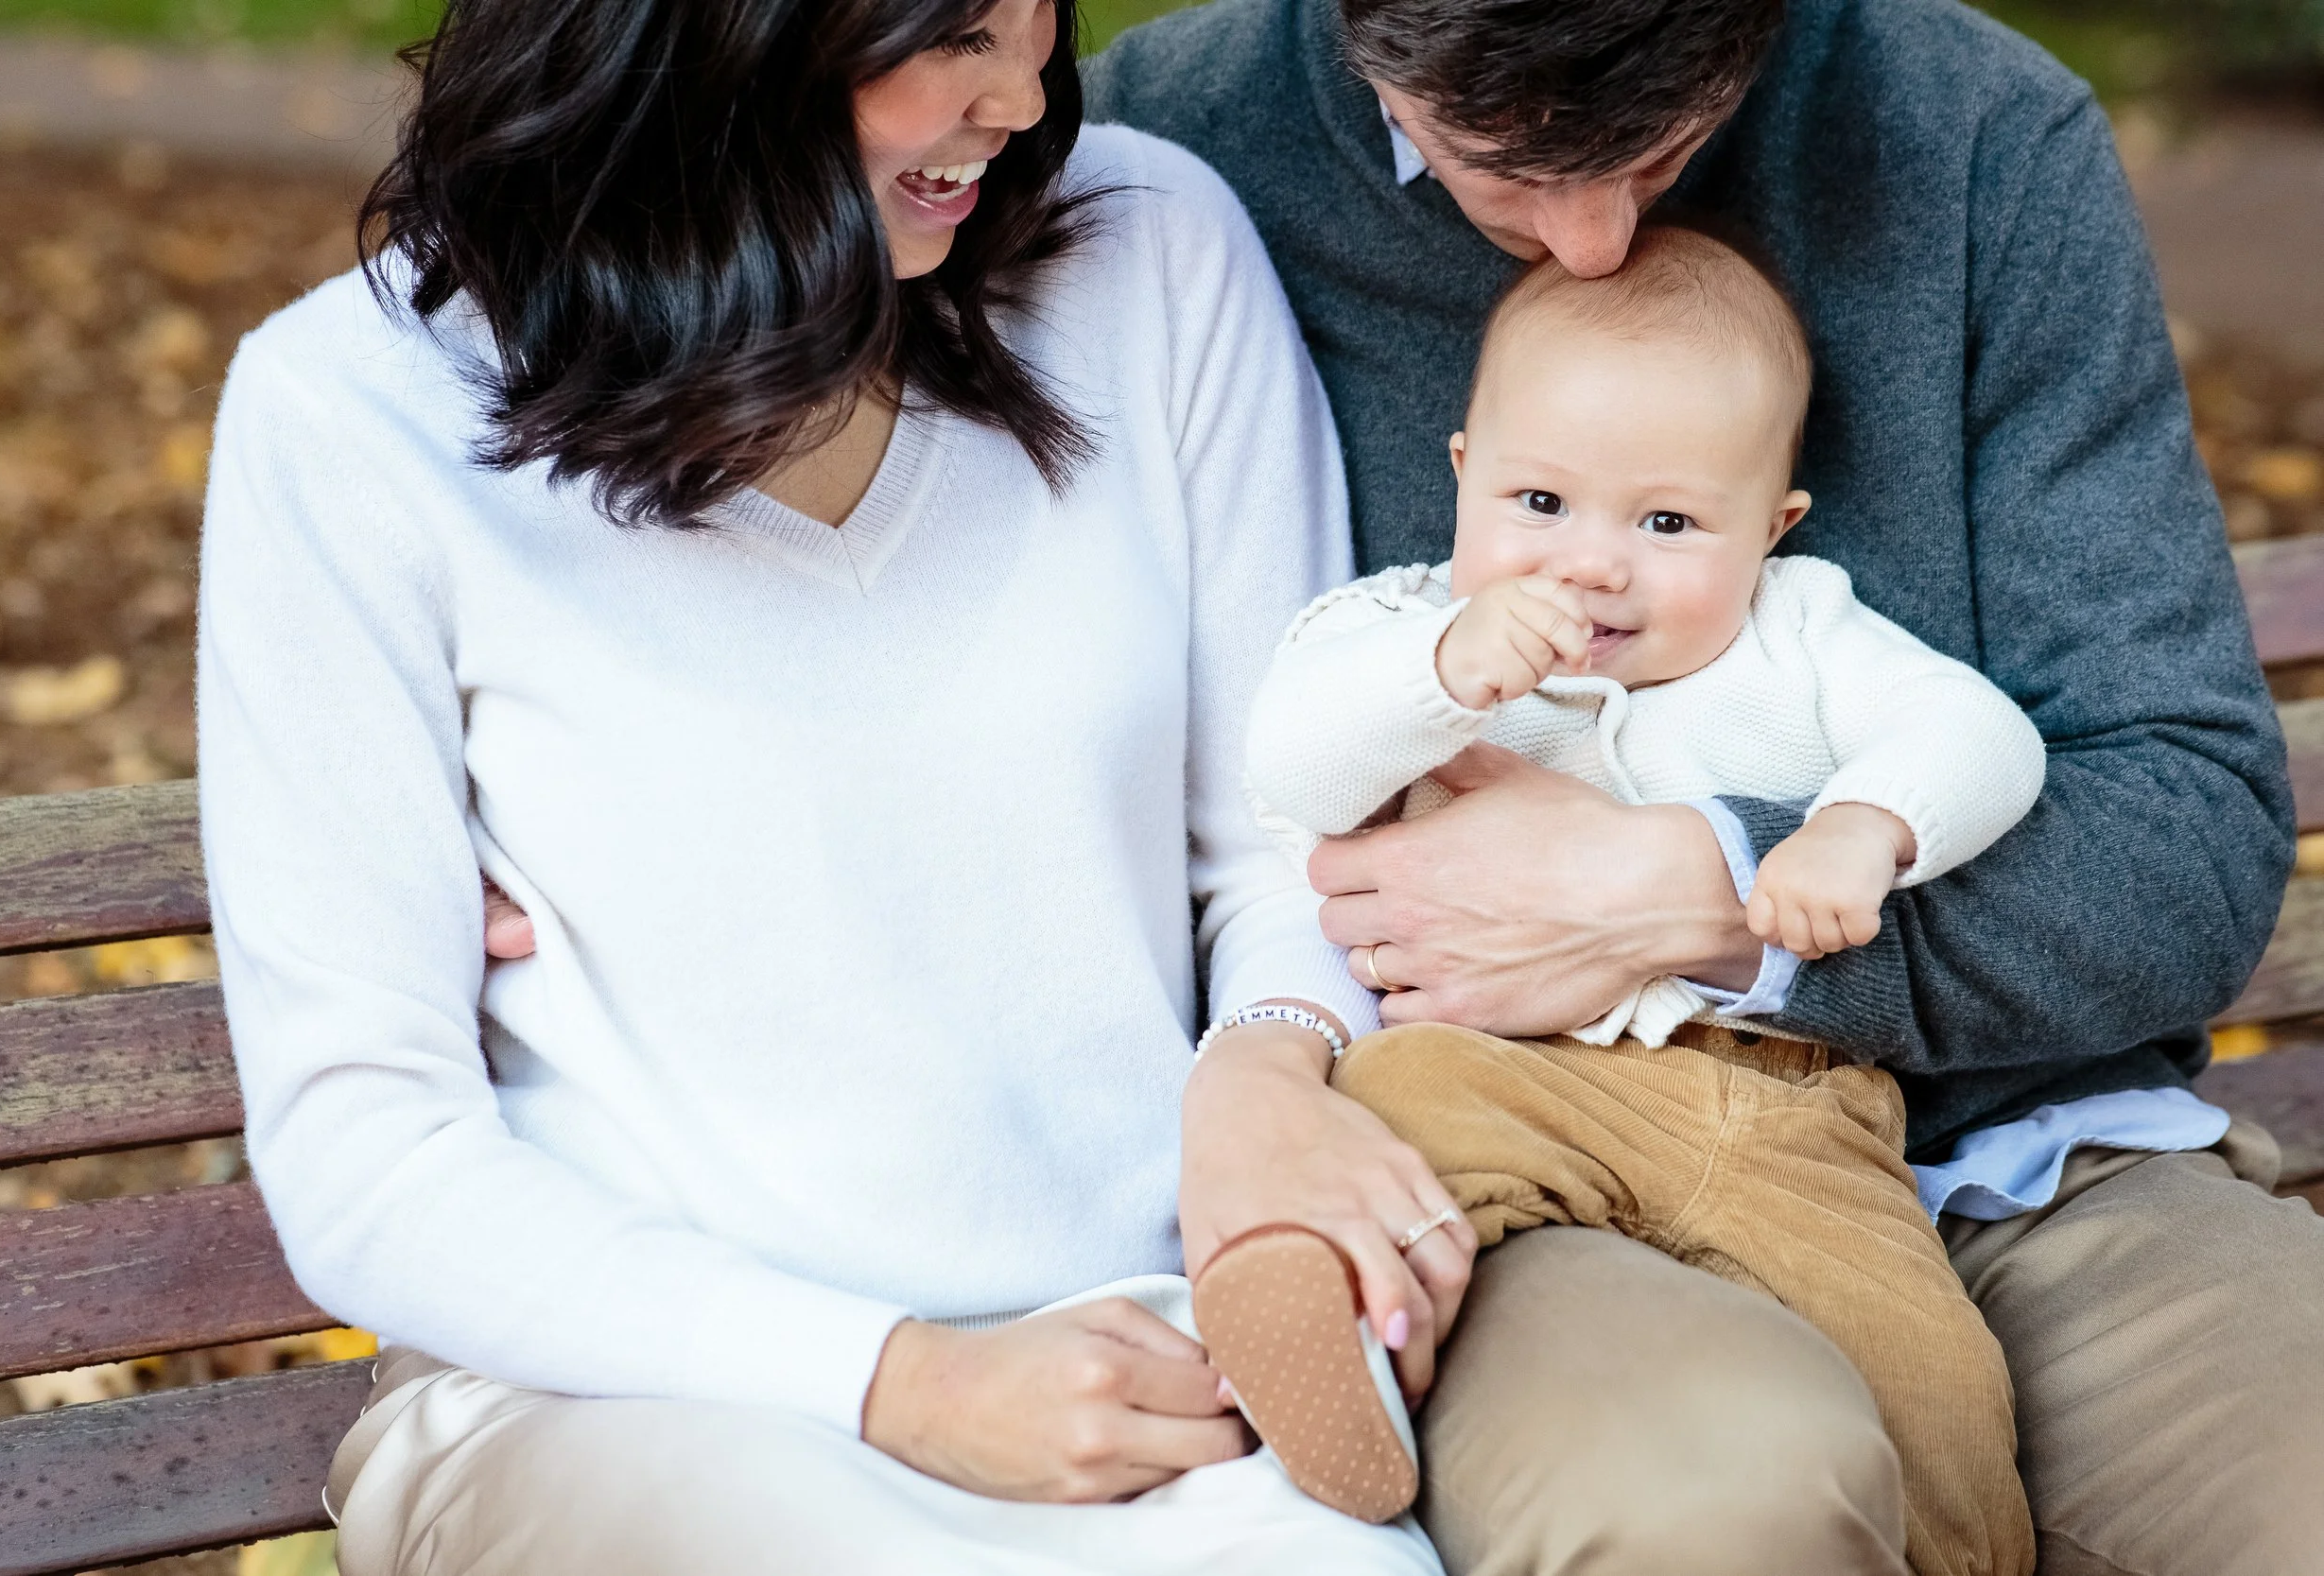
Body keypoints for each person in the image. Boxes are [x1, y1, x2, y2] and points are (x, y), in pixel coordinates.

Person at [196, 0, 1473, 1568]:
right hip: (624, 1398)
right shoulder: (349, 414)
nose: (1021, 97)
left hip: (1145, 1362)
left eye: (1035, 17)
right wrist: (900, 1380)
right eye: (955, 32)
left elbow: (1291, 838)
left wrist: (1272, 1064)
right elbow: (367, 1151)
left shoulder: (1153, 251)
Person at [1087, 1, 2323, 1572]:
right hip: (1527, 1153)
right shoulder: (1159, 161)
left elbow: (2184, 828)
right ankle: (1321, 1324)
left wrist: (1711, 894)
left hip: (2027, 1150)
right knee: (1730, 1497)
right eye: (1501, 159)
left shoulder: (1975, 139)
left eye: (1665, 146)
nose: (1593, 245)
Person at [1229, 230, 2040, 1574]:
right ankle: (1338, 1324)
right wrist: (1442, 670)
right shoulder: (1394, 632)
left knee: (1937, 1388)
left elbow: (1979, 731)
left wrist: (1867, 825)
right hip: (1505, 1069)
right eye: (1540, 501)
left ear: (1772, 527)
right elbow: (1290, 767)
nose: (1592, 564)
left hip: (1793, 1110)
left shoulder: (1800, 632)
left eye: (1666, 524)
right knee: (1404, 1109)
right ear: (1461, 473)